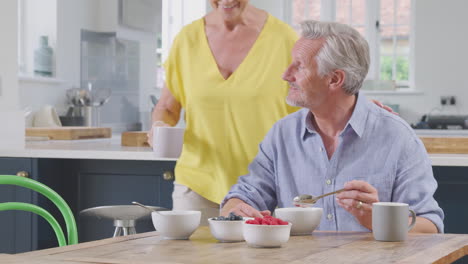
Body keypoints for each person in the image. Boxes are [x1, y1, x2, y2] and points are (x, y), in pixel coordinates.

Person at [148, 0, 395, 224]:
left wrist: (353, 103)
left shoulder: (283, 38)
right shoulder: (187, 40)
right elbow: (168, 107)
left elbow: (315, 88)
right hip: (198, 184)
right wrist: (158, 126)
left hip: (267, 187)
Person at [220, 20, 444, 233]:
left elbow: (430, 226)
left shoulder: (397, 137)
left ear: (335, 79)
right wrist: (235, 209)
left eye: (300, 67)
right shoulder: (282, 134)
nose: (286, 75)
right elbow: (244, 196)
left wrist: (379, 220)